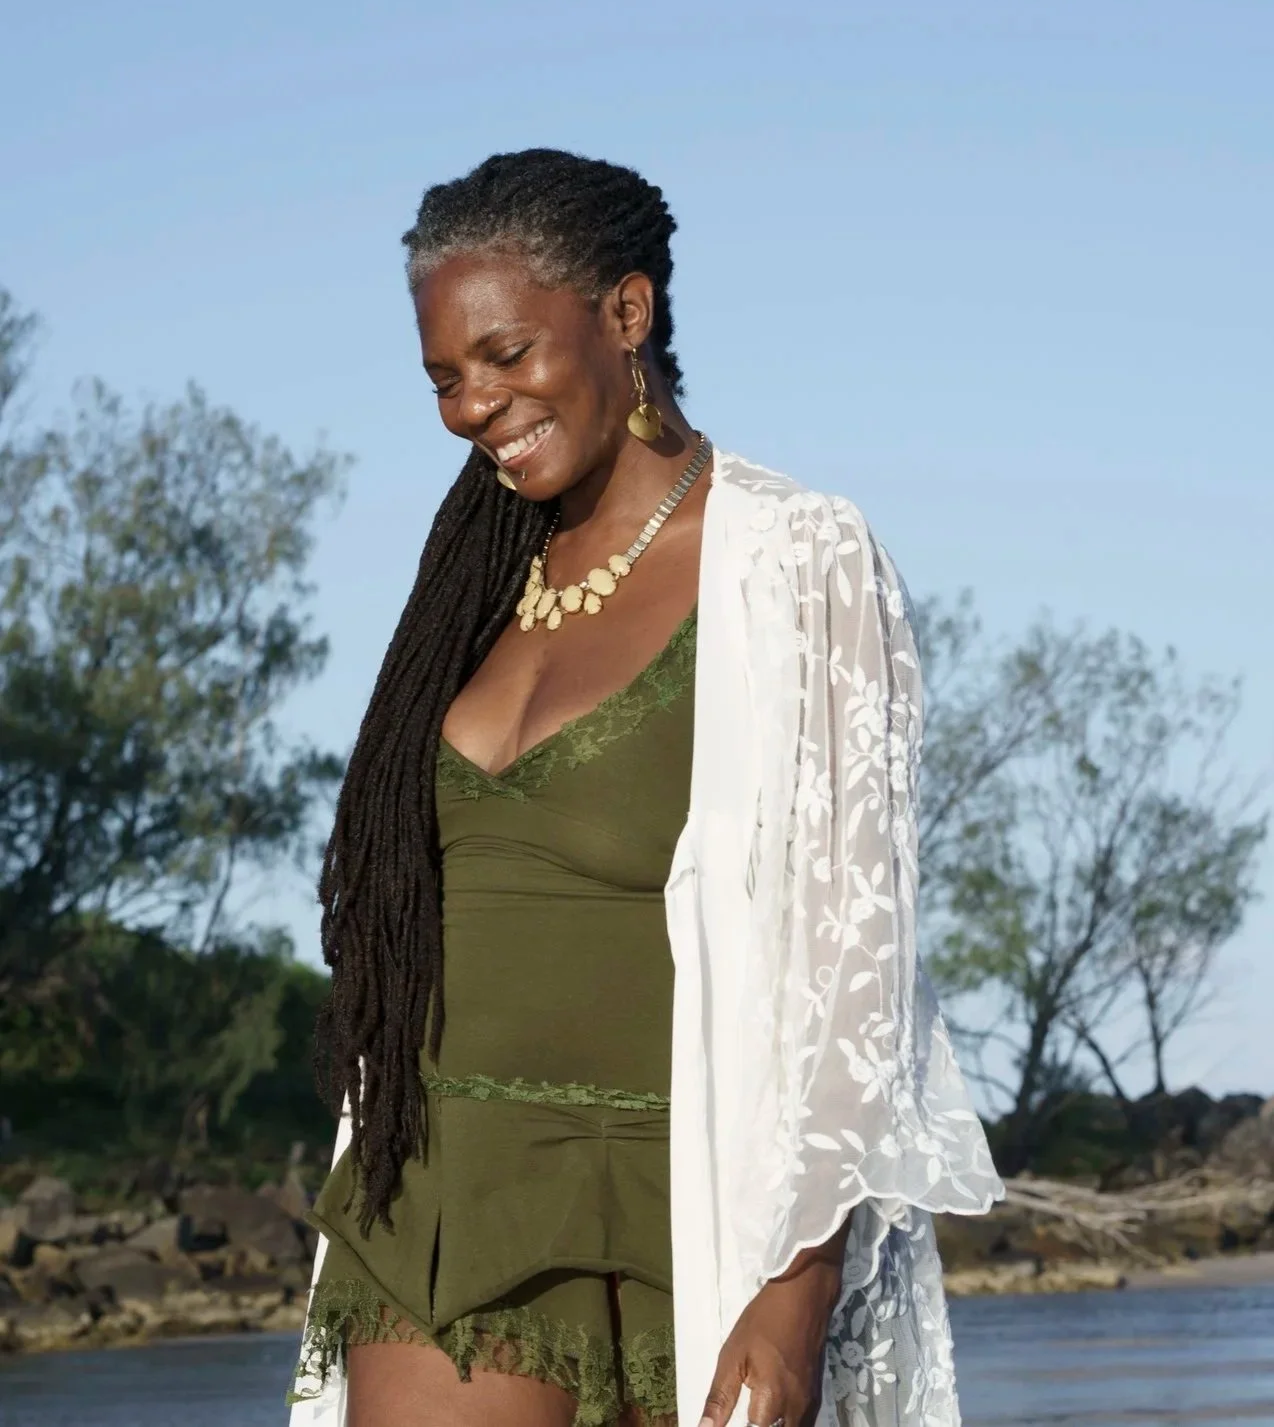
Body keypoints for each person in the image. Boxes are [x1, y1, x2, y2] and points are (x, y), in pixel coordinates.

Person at [288, 149, 1003, 1427]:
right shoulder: (475, 576)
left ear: (626, 313)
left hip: (692, 1190)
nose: (472, 405)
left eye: (505, 355)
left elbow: (857, 955)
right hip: (451, 1175)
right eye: (446, 377)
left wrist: (795, 1287)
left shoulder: (792, 557)